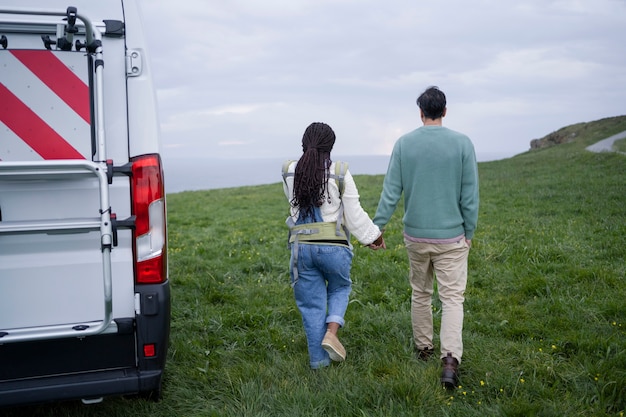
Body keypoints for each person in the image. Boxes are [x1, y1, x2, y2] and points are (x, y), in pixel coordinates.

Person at [372, 86, 479, 389]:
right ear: (444, 111)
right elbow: (470, 196)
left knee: (420, 292)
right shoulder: (463, 144)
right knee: (452, 298)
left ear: (421, 112)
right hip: (453, 237)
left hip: (415, 236)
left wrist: (377, 228)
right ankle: (449, 361)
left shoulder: (404, 144)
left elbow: (391, 192)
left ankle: (423, 349)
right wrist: (468, 232)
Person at [282, 122, 385, 370]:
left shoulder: (288, 171)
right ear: (330, 147)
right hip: (334, 246)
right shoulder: (339, 172)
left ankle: (318, 362)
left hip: (302, 248)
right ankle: (332, 331)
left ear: (303, 144)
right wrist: (373, 236)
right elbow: (354, 214)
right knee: (340, 287)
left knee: (311, 305)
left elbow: (294, 207)